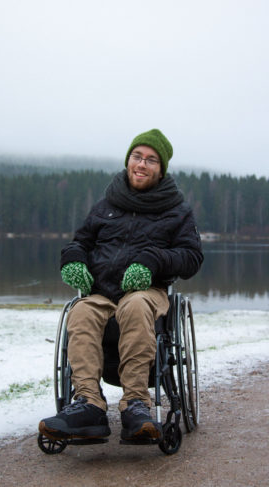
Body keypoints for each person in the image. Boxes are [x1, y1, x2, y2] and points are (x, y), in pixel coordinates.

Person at [38, 128, 204, 444]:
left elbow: (191, 257)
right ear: (128, 160)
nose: (141, 164)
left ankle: (135, 405)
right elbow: (80, 242)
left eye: (151, 160)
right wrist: (73, 260)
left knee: (137, 304)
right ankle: (88, 404)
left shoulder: (177, 210)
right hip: (102, 293)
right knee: (82, 311)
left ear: (162, 168)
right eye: (137, 157)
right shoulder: (106, 204)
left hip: (147, 294)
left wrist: (152, 261)